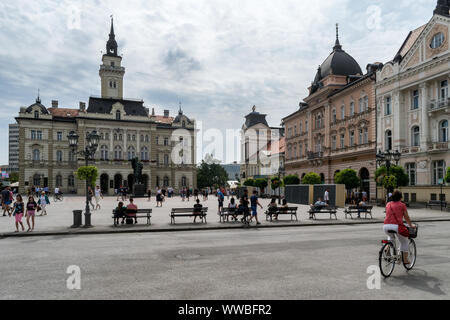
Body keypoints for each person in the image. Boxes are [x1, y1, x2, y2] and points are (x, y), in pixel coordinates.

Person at [383, 191, 415, 265]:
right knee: (404, 242)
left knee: (390, 238)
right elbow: (406, 217)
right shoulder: (402, 205)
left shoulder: (388, 204)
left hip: (385, 226)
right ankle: (405, 259)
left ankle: (387, 248)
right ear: (400, 197)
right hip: (396, 226)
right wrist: (410, 225)